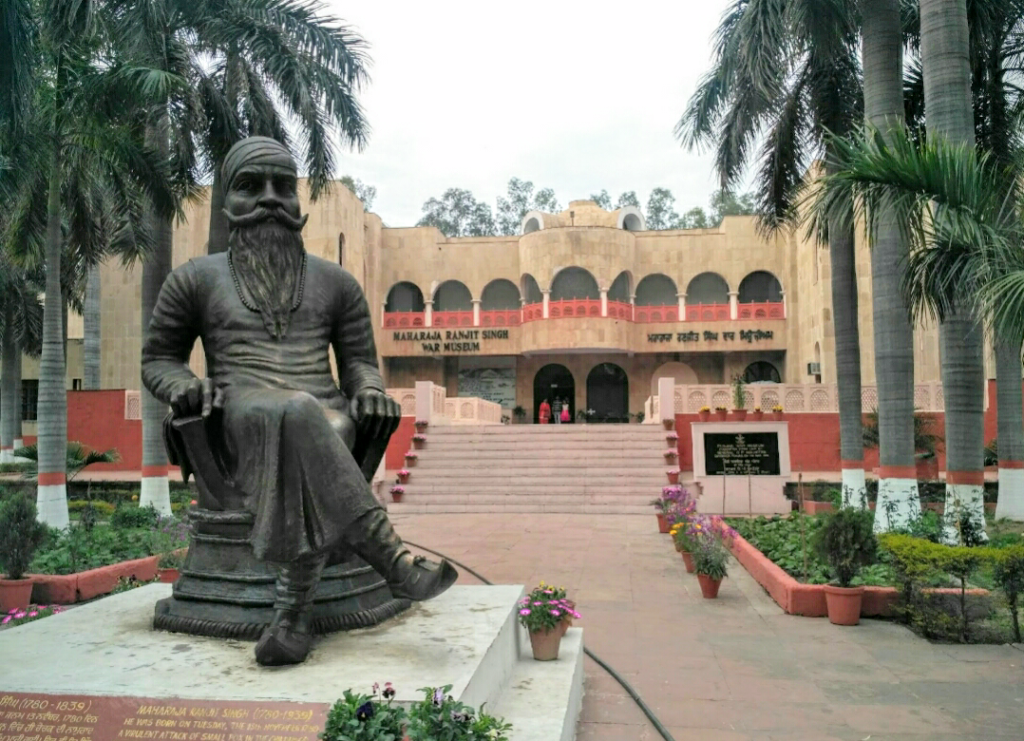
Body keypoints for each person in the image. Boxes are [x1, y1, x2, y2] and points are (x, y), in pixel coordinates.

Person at [142, 137, 457, 666]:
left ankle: (293, 619)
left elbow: (359, 363)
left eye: (283, 187)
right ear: (228, 203)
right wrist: (180, 387)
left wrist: (371, 393)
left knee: (315, 419)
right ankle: (394, 567)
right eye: (251, 186)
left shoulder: (337, 283)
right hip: (236, 414)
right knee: (300, 414)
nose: (270, 199)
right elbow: (159, 359)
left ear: (298, 202)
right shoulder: (194, 279)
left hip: (325, 413)